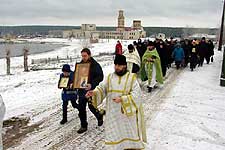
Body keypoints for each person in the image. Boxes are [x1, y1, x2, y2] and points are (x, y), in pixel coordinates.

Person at [85, 54, 147, 150]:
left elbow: (137, 96)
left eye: (119, 65)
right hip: (112, 114)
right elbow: (102, 88)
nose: (117, 67)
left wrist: (123, 99)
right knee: (113, 135)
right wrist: (94, 92)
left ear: (124, 66)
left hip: (126, 115)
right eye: (115, 65)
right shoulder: (110, 77)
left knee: (128, 134)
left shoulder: (131, 78)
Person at [76, 48, 104, 134]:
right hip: (81, 90)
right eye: (82, 56)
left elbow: (100, 76)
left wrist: (92, 84)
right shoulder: (80, 65)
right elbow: (76, 76)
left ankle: (99, 116)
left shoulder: (95, 65)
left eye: (85, 56)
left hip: (91, 90)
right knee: (81, 108)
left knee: (91, 106)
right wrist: (74, 83)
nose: (83, 57)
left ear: (89, 55)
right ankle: (83, 126)